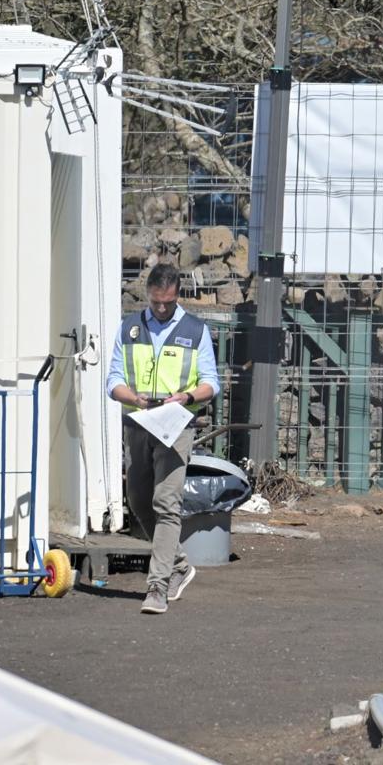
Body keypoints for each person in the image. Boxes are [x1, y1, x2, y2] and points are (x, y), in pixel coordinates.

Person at [106, 263, 219, 615]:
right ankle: (180, 564)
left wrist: (185, 398)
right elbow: (113, 380)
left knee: (166, 503)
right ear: (148, 294)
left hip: (176, 426)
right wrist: (135, 398)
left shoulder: (195, 330)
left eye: (168, 303)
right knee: (139, 501)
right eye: (156, 302)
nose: (161, 309)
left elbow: (212, 383)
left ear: (177, 296)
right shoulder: (129, 328)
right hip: (139, 424)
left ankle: (156, 586)